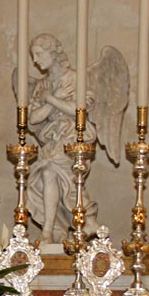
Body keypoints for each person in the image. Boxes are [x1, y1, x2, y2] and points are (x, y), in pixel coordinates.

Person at [25, 34, 102, 243]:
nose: (35, 60)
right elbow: (33, 118)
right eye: (33, 56)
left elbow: (79, 110)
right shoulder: (42, 84)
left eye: (39, 54)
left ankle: (52, 229)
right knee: (47, 173)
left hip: (74, 140)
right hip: (52, 141)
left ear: (53, 53)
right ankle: (55, 229)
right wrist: (53, 101)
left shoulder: (76, 79)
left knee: (56, 173)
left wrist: (50, 99)